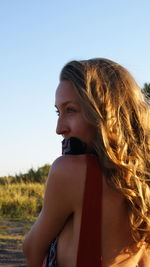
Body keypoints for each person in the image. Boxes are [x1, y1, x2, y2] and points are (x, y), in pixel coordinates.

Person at [23, 58, 150, 267]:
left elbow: (31, 249)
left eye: (70, 110)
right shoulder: (140, 181)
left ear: (104, 113)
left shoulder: (71, 171)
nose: (59, 128)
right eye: (58, 112)